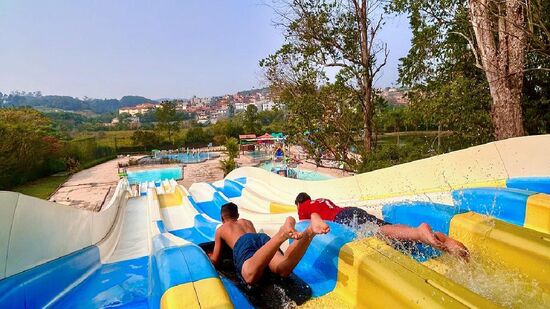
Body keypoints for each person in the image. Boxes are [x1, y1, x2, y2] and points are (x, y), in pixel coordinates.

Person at [294, 193, 469, 260]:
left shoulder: (304, 206)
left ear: (299, 203)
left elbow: (308, 221)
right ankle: (438, 238)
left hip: (343, 218)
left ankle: (418, 232)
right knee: (388, 232)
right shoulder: (322, 200)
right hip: (351, 211)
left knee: (378, 232)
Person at [209, 202, 330, 285]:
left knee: (249, 275)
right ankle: (310, 231)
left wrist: (209, 258)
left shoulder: (221, 229)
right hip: (261, 239)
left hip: (243, 243)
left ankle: (281, 234)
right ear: (237, 215)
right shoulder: (247, 222)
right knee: (283, 268)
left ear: (222, 218)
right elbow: (258, 250)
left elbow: (216, 260)